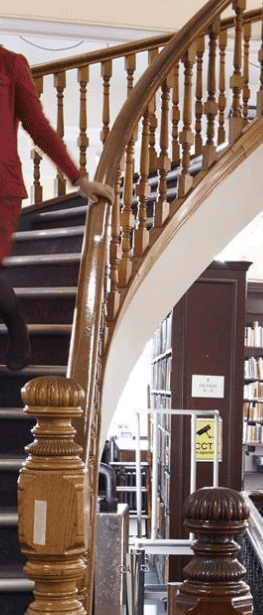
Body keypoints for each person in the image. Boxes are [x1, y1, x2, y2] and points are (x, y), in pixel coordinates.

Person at [1, 43, 114, 371]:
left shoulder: (11, 65)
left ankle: (15, 322)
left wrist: (78, 179)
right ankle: (13, 317)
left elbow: (37, 127)